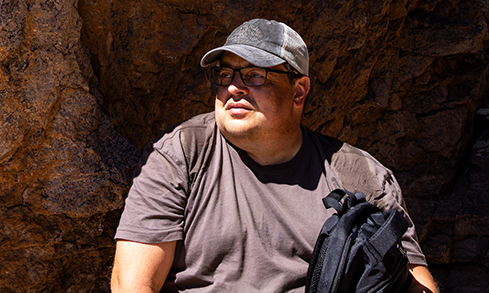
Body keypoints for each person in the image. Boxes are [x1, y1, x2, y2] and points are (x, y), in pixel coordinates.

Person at [112, 18, 439, 293]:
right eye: (226, 75)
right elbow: (131, 285)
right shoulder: (181, 154)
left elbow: (416, 285)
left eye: (255, 75)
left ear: (299, 91)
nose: (234, 87)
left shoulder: (361, 175)